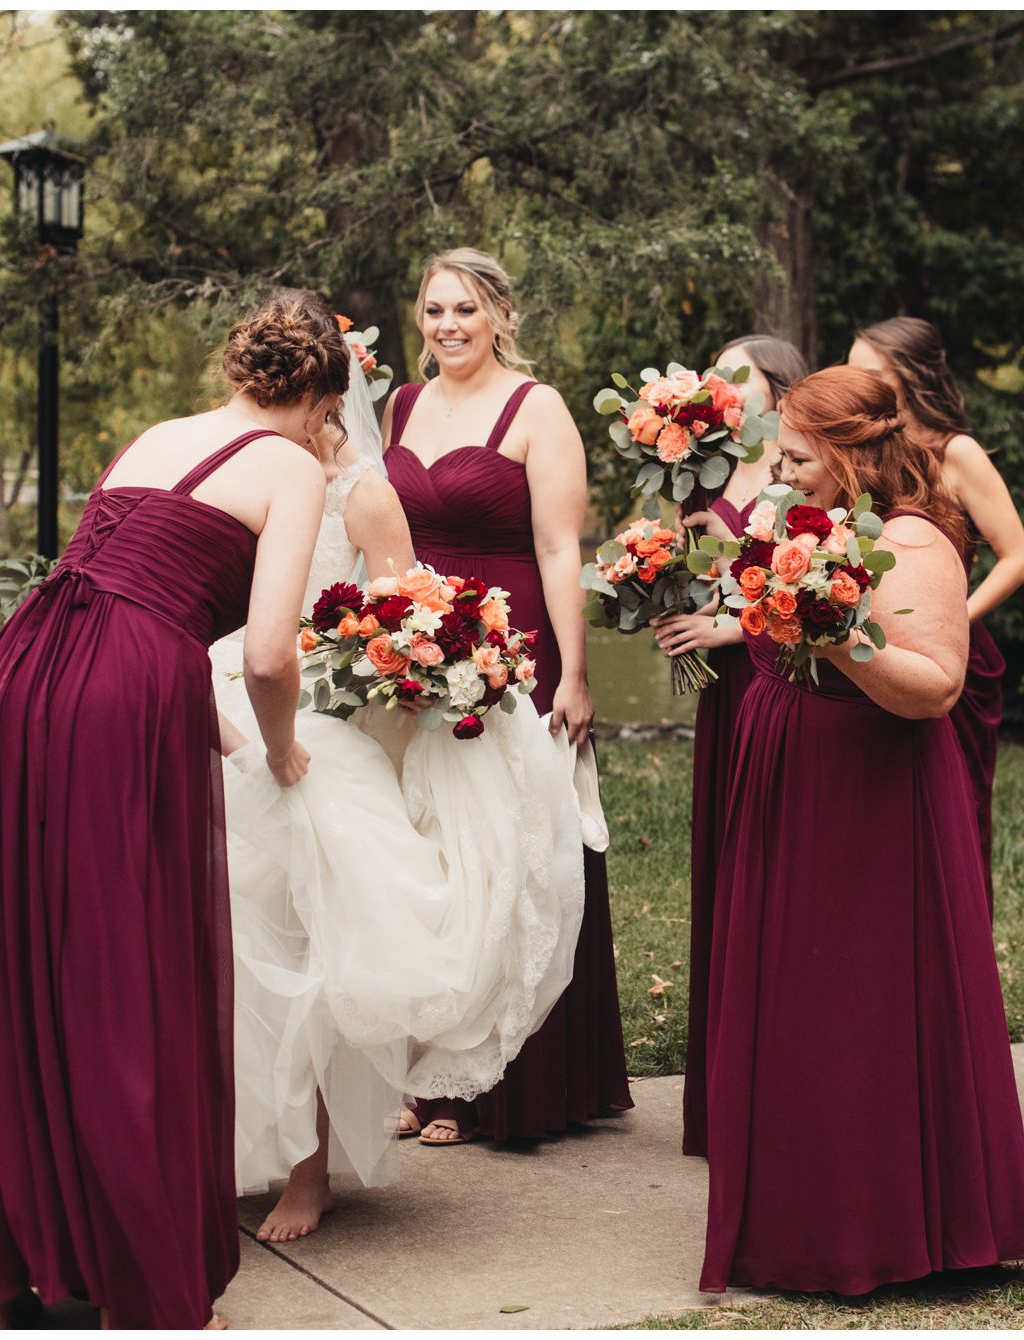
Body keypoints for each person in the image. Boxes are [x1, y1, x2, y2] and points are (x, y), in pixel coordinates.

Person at [0, 289, 340, 1329]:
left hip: (22, 673)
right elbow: (266, 651)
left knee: (24, 950)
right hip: (122, 687)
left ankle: (20, 1252)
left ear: (239, 372)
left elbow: (108, 574)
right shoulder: (292, 465)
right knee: (124, 957)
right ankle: (126, 1256)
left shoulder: (157, 432)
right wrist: (281, 747)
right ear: (318, 396)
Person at [210, 342, 587, 1242]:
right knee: (237, 936)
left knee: (317, 941)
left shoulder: (363, 494)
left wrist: (352, 670)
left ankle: (312, 1172)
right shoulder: (253, 474)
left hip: (326, 718)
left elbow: (401, 614)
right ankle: (237, 1139)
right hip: (232, 692)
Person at [699, 366, 1024, 1295]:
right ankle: (791, 1217)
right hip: (787, 772)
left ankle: (882, 1225)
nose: (783, 473)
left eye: (800, 458)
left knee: (860, 999)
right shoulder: (807, 528)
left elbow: (934, 688)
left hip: (871, 793)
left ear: (852, 455)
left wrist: (835, 630)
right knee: (794, 996)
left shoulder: (914, 540)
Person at [383, 247, 632, 1144]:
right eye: (434, 310)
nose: (448, 326)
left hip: (511, 645)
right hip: (418, 646)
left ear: (499, 316)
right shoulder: (401, 406)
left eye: (465, 310)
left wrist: (576, 671)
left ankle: (509, 1082)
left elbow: (563, 548)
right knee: (432, 851)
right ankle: (430, 1066)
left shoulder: (540, 409)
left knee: (513, 847)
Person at [648, 333, 809, 1159]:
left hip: (786, 684)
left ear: (782, 391)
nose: (723, 389)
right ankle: (723, 1100)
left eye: (739, 377)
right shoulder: (699, 477)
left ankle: (780, 1087)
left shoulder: (804, 474)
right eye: (716, 376)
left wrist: (724, 624)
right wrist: (662, 589)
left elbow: (818, 597)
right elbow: (688, 577)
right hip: (726, 697)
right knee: (725, 875)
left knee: (777, 874)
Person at [848, 317, 1024, 904]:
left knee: (954, 807)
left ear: (908, 377)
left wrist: (958, 615)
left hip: (950, 653)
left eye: (870, 374)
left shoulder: (957, 453)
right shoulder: (857, 454)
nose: (857, 384)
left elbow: (1019, 557)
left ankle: (959, 933)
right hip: (872, 649)